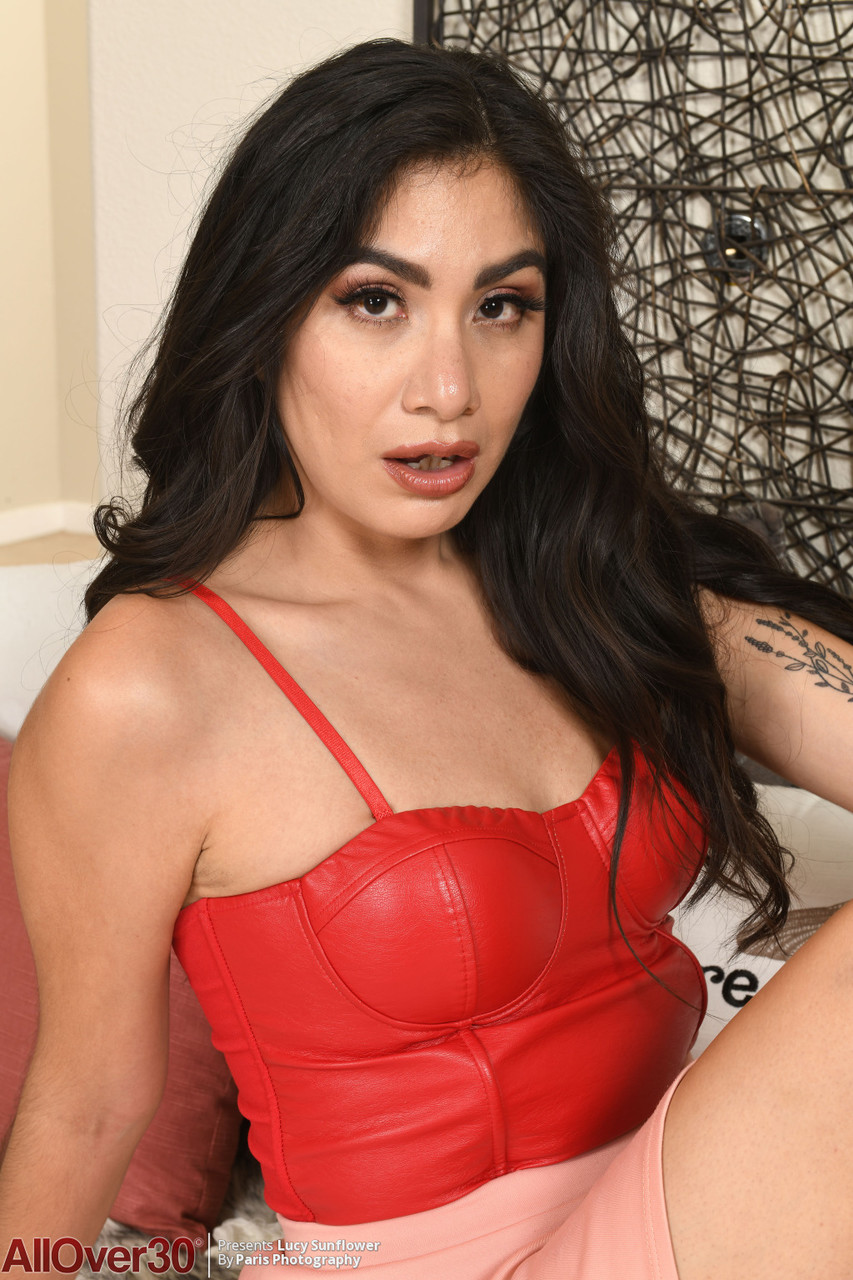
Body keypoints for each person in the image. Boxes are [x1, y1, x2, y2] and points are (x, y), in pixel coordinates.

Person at [2, 36, 852, 1280]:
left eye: (500, 306)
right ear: (266, 314)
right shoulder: (148, 685)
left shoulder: (589, 586)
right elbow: (85, 1108)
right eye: (375, 301)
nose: (448, 387)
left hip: (680, 1203)